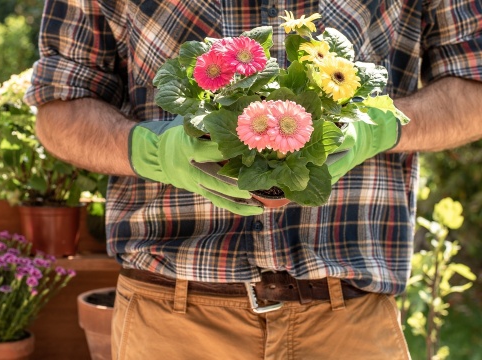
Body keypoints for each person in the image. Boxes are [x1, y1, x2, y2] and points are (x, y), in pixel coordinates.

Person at [25, 1, 482, 359]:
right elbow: (61, 105)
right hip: (171, 321)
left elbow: (472, 86)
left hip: (349, 323)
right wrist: (149, 149)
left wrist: (383, 126)